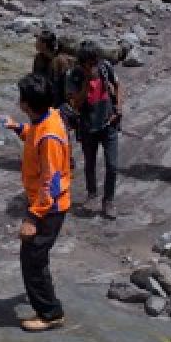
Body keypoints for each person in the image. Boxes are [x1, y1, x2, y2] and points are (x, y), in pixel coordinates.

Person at [2, 74, 71, 332]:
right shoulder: (46, 118)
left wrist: (33, 217)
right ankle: (47, 306)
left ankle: (50, 313)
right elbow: (35, 134)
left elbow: (50, 183)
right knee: (35, 257)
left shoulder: (50, 136)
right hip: (45, 203)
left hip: (48, 207)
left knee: (33, 258)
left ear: (26, 104)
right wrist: (18, 128)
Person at [65, 41, 122, 220]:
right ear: (82, 63)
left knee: (112, 165)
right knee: (90, 163)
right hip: (88, 126)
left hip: (108, 124)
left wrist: (119, 108)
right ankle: (92, 194)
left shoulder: (105, 67)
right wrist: (86, 85)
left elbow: (118, 86)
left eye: (95, 62)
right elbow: (75, 104)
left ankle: (109, 200)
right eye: (89, 63)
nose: (93, 66)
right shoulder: (74, 75)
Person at [32, 29, 74, 108]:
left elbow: (67, 87)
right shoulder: (38, 58)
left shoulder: (61, 62)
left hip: (59, 103)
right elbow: (34, 79)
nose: (35, 43)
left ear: (44, 45)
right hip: (44, 99)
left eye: (37, 41)